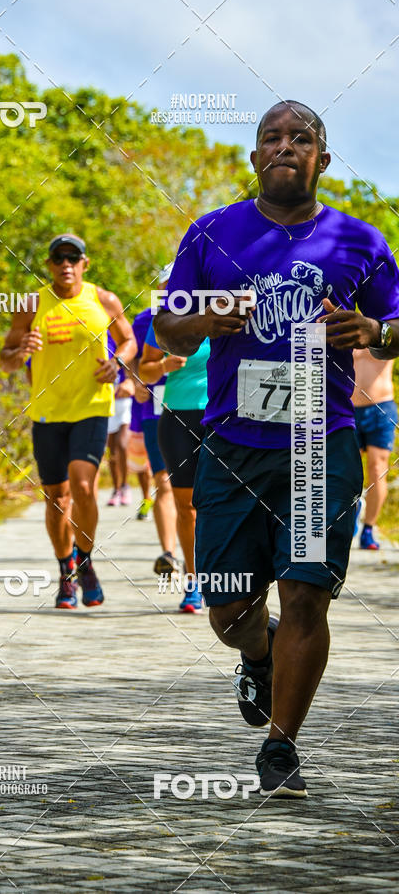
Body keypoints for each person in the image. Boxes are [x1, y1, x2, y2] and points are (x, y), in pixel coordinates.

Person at [153, 100, 399, 797]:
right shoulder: (212, 233)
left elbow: (398, 321)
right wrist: (210, 315)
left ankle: (281, 745)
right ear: (256, 156)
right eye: (271, 137)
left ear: (322, 157)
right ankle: (256, 655)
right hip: (233, 444)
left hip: (323, 444)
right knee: (229, 606)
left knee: (306, 595)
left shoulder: (360, 241)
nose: (285, 145)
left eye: (302, 138)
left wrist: (375, 326)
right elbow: (167, 330)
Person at [0, 233, 136, 609]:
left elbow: (129, 342)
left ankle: (86, 560)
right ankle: (67, 571)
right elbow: (5, 359)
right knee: (57, 498)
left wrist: (118, 362)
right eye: (58, 259)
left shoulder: (103, 300)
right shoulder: (31, 305)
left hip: (92, 406)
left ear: (84, 264)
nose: (66, 265)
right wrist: (20, 350)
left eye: (73, 258)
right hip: (47, 412)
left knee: (83, 486)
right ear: (49, 265)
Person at [139, 270, 210, 613]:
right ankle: (194, 582)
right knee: (188, 507)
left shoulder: (220, 312)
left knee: (226, 504)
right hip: (178, 418)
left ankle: (231, 581)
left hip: (223, 419)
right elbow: (145, 370)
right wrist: (164, 365)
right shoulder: (163, 324)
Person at [129, 286, 179, 560]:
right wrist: (135, 380)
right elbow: (133, 358)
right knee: (164, 481)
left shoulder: (208, 315)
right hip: (154, 408)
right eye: (165, 285)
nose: (170, 289)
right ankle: (168, 555)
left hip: (199, 410)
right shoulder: (145, 319)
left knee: (195, 488)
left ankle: (197, 564)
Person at [352, 349, 397, 549]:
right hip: (348, 408)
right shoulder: (346, 323)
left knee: (377, 469)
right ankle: (351, 513)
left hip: (381, 407)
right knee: (346, 469)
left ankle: (368, 529)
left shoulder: (386, 326)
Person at [106, 332, 134, 506]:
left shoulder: (117, 335)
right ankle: (116, 489)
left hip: (123, 398)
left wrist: (130, 381)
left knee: (122, 444)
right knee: (112, 449)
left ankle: (125, 485)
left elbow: (131, 357)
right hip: (105, 399)